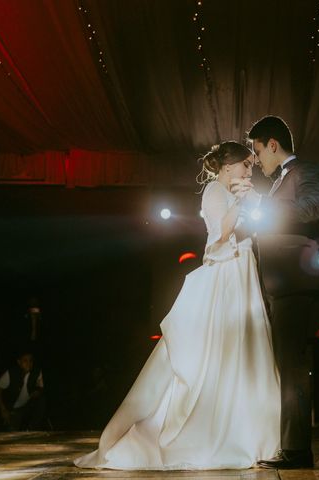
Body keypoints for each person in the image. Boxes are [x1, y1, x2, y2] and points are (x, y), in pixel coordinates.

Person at [74, 141, 280, 470]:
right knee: (214, 355)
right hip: (225, 274)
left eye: (251, 166)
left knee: (244, 353)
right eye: (245, 165)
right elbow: (221, 234)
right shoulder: (214, 191)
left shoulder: (235, 192)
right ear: (228, 167)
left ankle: (249, 433)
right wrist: (241, 201)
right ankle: (202, 433)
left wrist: (249, 202)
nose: (249, 170)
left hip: (242, 272)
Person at [233, 115, 319, 469]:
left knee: (293, 367)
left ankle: (297, 451)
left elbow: (311, 208)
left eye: (258, 152)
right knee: (284, 366)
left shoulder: (306, 172)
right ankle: (289, 445)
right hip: (277, 284)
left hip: (295, 282)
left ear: (273, 144)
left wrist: (263, 204)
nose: (257, 161)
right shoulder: (277, 183)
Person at [0, 347, 46, 431]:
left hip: (26, 406)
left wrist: (37, 392)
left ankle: (32, 428)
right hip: (11, 408)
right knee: (11, 431)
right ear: (19, 362)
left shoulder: (37, 372)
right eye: (25, 361)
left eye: (30, 360)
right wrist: (3, 409)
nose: (29, 363)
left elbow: (41, 387)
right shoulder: (11, 373)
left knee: (41, 401)